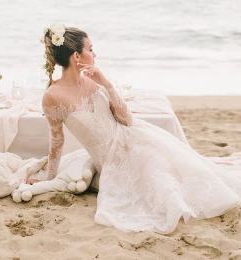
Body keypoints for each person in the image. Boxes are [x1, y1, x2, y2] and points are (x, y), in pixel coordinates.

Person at [28, 24, 241, 234]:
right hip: (111, 161)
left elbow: (126, 119)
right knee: (159, 184)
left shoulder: (93, 81)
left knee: (172, 172)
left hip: (134, 139)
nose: (94, 54)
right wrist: (49, 178)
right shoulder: (52, 96)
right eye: (90, 49)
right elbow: (57, 141)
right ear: (76, 56)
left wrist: (106, 83)